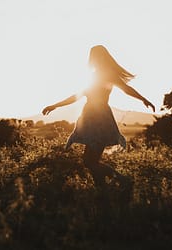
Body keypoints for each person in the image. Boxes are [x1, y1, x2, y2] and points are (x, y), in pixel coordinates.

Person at [42, 45, 155, 182]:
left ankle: (122, 180)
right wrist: (55, 106)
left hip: (100, 120)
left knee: (90, 161)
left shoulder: (108, 74)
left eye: (97, 56)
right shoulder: (94, 75)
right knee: (89, 161)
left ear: (103, 57)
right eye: (93, 56)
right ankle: (103, 190)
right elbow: (77, 96)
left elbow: (126, 89)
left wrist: (143, 99)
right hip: (90, 118)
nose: (94, 59)